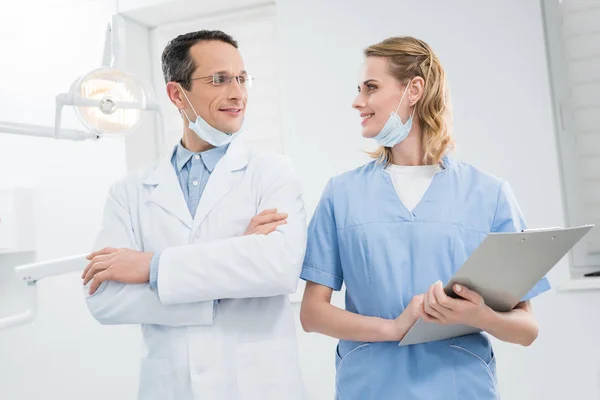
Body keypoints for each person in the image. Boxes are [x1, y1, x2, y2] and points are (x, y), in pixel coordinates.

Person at [299, 36, 550, 400]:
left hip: (461, 387)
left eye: (371, 88)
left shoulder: (489, 194)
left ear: (413, 90)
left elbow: (527, 328)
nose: (357, 101)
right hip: (370, 387)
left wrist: (480, 316)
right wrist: (394, 328)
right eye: (359, 89)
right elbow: (312, 314)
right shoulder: (341, 194)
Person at [81, 30, 307, 400]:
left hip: (258, 385)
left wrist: (151, 268)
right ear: (177, 94)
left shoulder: (273, 173)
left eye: (242, 78)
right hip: (170, 388)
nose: (238, 93)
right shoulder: (129, 191)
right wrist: (234, 264)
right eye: (219, 79)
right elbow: (103, 298)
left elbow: (278, 268)